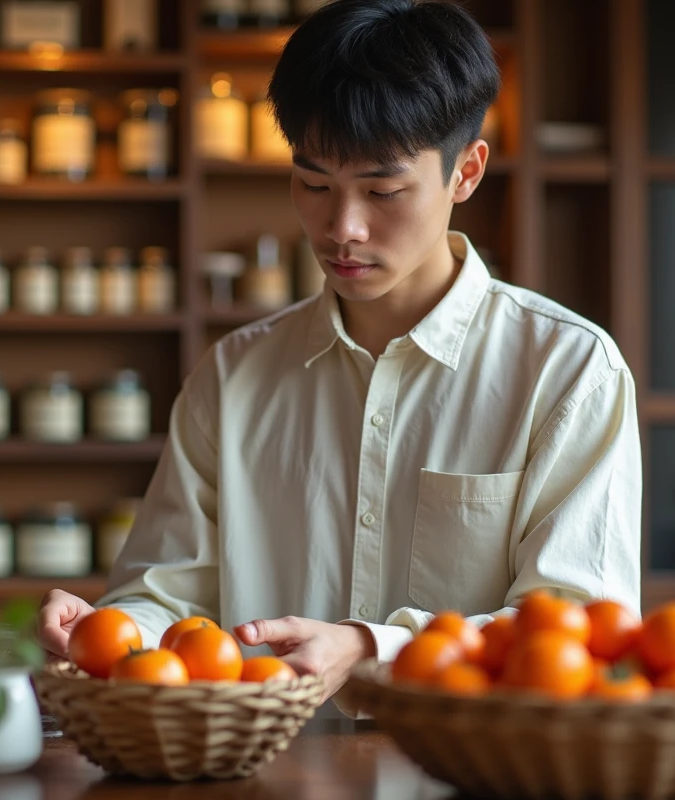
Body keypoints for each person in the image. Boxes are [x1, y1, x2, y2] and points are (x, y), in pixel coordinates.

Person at [37, 0, 641, 714]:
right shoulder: (234, 376)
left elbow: (575, 632)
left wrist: (374, 647)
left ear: (467, 172)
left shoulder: (565, 371)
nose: (341, 228)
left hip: (479, 768)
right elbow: (167, 596)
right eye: (314, 184)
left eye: (383, 190)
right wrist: (108, 631)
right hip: (260, 773)